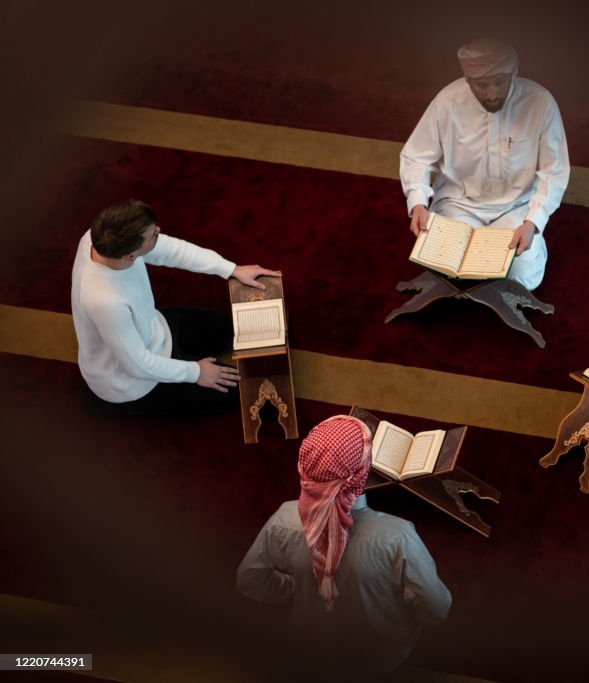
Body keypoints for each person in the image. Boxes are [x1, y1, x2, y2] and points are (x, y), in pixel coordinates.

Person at [236, 416, 452, 677]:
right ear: (363, 471)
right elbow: (437, 607)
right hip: (380, 655)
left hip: (307, 647)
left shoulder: (283, 520)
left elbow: (249, 580)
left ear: (304, 466)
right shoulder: (398, 535)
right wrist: (401, 606)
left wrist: (296, 589)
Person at [71, 199, 280, 416]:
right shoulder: (106, 302)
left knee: (232, 328)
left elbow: (171, 250)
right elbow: (137, 364)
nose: (159, 232)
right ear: (130, 256)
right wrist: (196, 372)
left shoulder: (98, 238)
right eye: (154, 235)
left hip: (155, 328)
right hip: (135, 382)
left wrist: (231, 269)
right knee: (252, 392)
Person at [400, 38, 570, 291]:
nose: (491, 93)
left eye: (500, 83)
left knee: (521, 278)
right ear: (467, 80)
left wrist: (532, 222)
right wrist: (417, 203)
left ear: (514, 73)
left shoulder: (540, 102)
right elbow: (417, 157)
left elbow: (554, 171)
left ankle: (533, 244)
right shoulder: (448, 101)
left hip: (517, 208)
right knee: (445, 266)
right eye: (482, 85)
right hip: (458, 203)